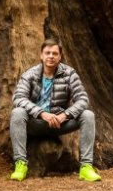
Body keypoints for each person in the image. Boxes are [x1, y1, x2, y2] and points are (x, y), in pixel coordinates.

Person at [9, 38, 101, 182]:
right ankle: (20, 164)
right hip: (36, 123)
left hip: (60, 123)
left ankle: (86, 167)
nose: (51, 56)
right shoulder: (30, 74)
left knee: (88, 115)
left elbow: (83, 99)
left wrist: (65, 115)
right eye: (47, 53)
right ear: (41, 55)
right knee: (17, 113)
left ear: (60, 56)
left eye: (54, 53)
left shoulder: (69, 74)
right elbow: (18, 98)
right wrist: (42, 114)